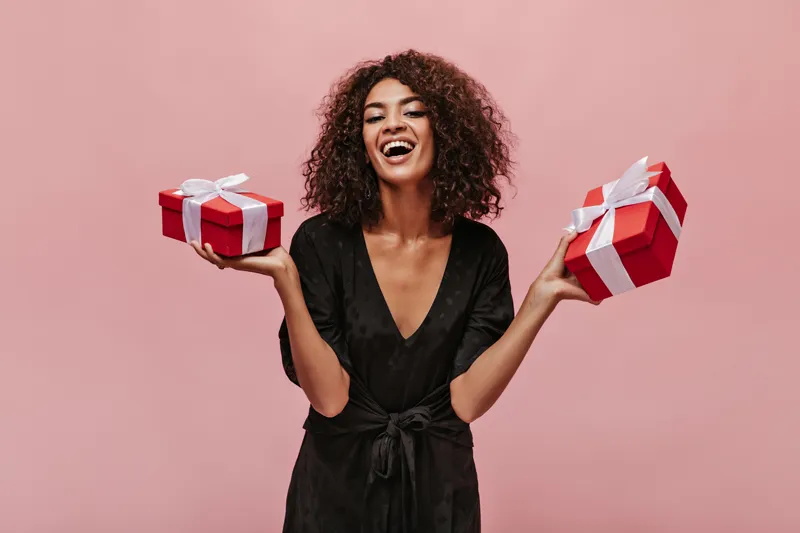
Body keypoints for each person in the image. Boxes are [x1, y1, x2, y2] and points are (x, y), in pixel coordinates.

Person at [191, 49, 598, 533]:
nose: (392, 125)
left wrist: (540, 299)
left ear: (444, 131)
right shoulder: (321, 242)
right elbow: (329, 400)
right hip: (334, 492)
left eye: (413, 111)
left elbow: (466, 402)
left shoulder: (481, 252)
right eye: (374, 117)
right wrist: (286, 278)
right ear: (358, 142)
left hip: (440, 493)